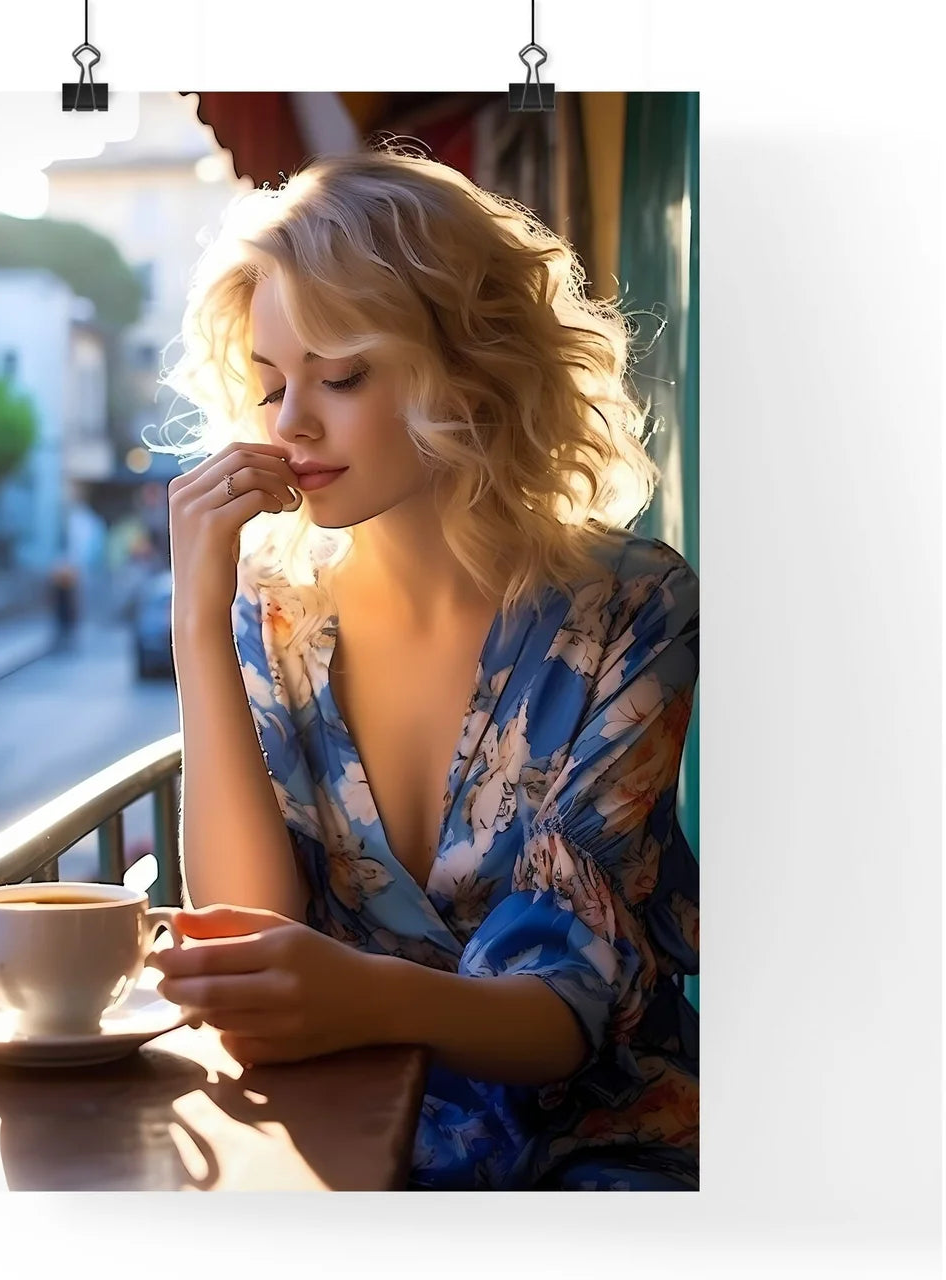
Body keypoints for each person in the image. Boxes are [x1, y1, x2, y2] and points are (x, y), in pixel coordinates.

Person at [149, 145, 699, 1191]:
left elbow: (567, 1010)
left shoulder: (632, 608)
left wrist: (360, 995)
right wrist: (196, 620)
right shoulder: (274, 609)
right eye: (270, 383)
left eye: (341, 375)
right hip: (346, 1137)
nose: (291, 421)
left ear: (468, 365)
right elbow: (249, 936)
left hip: (596, 1154)